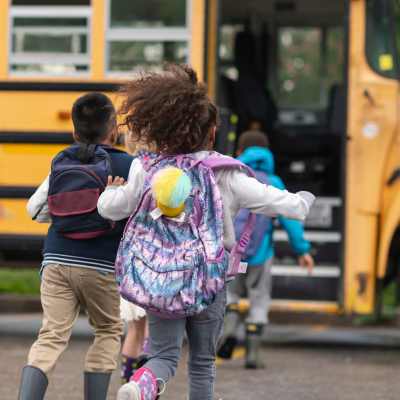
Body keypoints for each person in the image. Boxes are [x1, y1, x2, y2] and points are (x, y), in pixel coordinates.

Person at [97, 64, 315, 400]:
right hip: (208, 283)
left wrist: (110, 193)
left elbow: (111, 208)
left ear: (160, 130)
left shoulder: (145, 167)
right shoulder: (225, 172)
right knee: (201, 362)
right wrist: (302, 202)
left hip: (160, 281)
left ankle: (142, 385)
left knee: (163, 356)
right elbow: (275, 201)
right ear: (211, 132)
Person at [19, 93, 133, 400]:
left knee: (52, 335)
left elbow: (34, 209)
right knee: (108, 330)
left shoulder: (63, 160)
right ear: (113, 128)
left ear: (74, 130)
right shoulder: (128, 164)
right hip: (102, 266)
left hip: (55, 259)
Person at [217, 130, 315, 369]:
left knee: (230, 295)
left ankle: (228, 328)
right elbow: (290, 220)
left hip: (231, 252)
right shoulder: (274, 182)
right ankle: (252, 354)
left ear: (239, 152)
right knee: (259, 299)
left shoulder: (231, 178)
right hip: (261, 253)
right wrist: (302, 250)